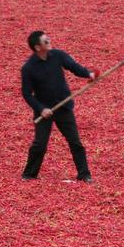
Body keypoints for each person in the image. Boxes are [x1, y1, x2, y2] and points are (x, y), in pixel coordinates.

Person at [21, 31, 96, 182]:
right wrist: (41, 109)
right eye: (45, 40)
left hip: (63, 107)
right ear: (37, 47)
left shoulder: (58, 55)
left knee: (75, 142)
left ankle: (84, 174)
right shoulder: (28, 68)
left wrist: (89, 74)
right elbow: (27, 94)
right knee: (40, 144)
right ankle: (29, 174)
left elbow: (74, 67)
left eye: (48, 38)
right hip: (44, 111)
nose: (49, 40)